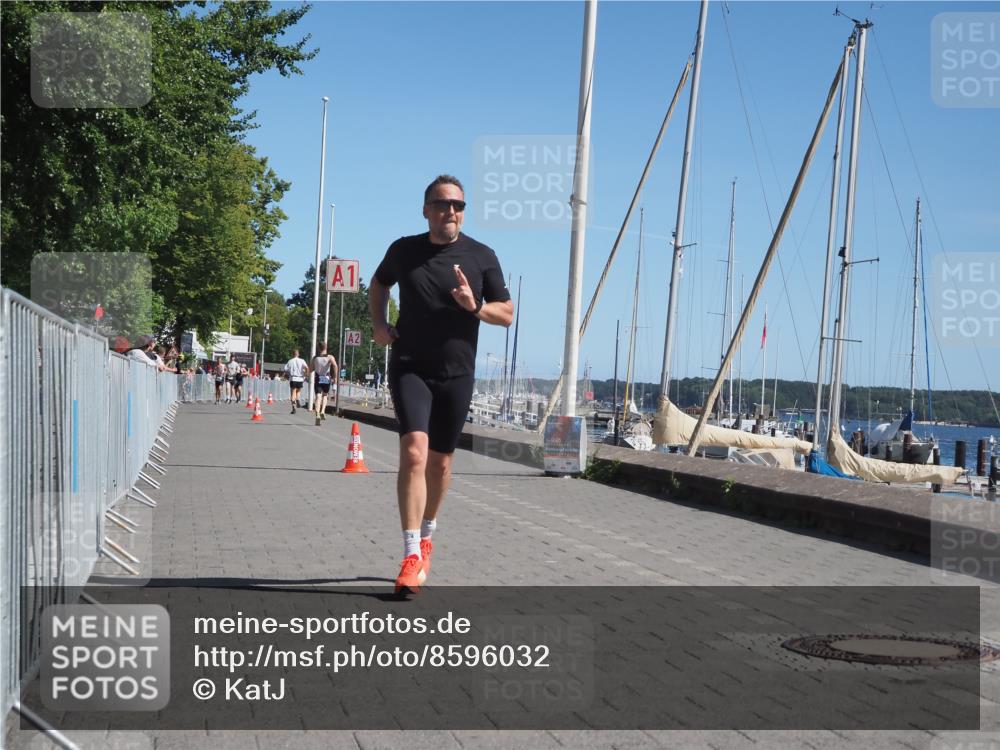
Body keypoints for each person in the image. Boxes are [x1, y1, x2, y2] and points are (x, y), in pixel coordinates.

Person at [369, 175, 513, 594]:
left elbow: (507, 314)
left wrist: (475, 306)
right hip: (410, 366)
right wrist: (379, 324)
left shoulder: (481, 256)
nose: (451, 210)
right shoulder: (403, 250)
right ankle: (411, 553)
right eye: (442, 203)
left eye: (458, 205)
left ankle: (428, 535)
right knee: (415, 452)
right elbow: (379, 283)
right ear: (426, 209)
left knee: (441, 464)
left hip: (457, 373)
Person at [310, 343, 338, 426]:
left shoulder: (315, 358)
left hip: (318, 377)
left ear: (318, 348)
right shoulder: (330, 357)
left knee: (318, 396)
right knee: (325, 395)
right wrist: (335, 377)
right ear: (326, 347)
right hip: (326, 377)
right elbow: (335, 366)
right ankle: (322, 411)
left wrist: (307, 374)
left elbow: (311, 369)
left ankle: (317, 414)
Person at [284, 349, 309, 414]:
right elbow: (306, 367)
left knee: (293, 393)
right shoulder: (302, 360)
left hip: (293, 378)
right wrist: (306, 375)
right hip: (300, 378)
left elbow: (285, 369)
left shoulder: (290, 361)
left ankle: (293, 408)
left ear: (293, 354)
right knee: (298, 391)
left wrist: (287, 374)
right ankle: (298, 399)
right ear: (298, 354)